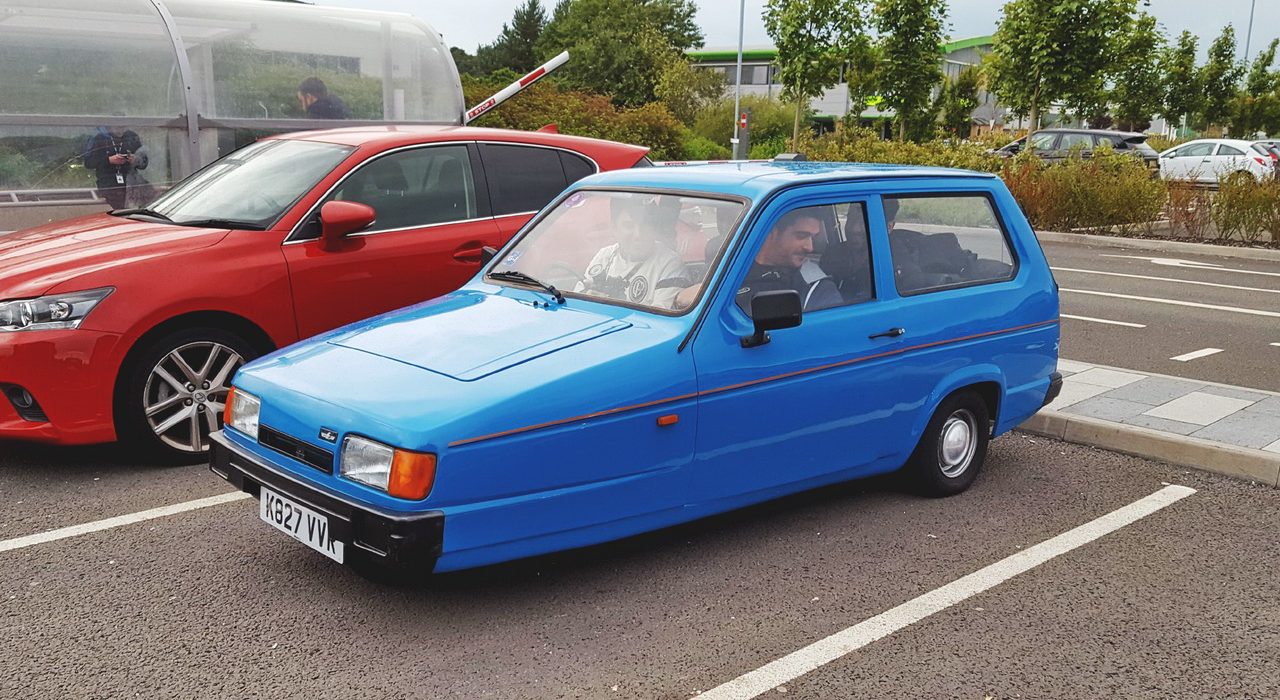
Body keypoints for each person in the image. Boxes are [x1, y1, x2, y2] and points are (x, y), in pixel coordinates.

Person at [575, 197, 689, 309]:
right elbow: (576, 300)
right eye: (629, 226)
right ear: (614, 228)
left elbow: (660, 317)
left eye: (645, 225)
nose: (638, 235)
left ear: (654, 228)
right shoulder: (604, 255)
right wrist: (588, 296)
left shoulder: (669, 263)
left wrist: (610, 304)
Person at [735, 208, 842, 315]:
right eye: (801, 236)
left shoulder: (816, 287)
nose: (810, 247)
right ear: (771, 233)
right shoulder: (734, 266)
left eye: (813, 238)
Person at [84, 122, 146, 210]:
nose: (120, 131)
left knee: (149, 194)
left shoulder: (131, 137)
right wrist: (109, 160)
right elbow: (89, 163)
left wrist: (136, 160)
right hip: (108, 182)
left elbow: (144, 162)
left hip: (131, 181)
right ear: (110, 126)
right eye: (117, 127)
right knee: (119, 201)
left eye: (123, 127)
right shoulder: (99, 139)